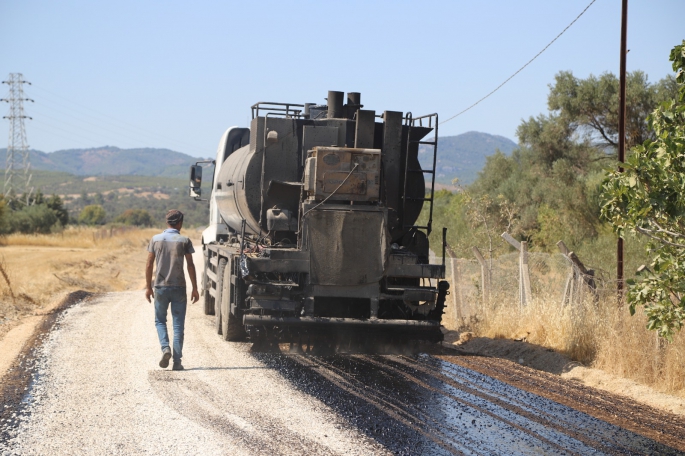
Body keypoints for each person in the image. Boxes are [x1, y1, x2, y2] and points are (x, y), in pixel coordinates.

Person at [145, 209, 199, 370]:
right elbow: (190, 265)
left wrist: (148, 287)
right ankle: (177, 362)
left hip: (160, 287)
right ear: (180, 222)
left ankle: (165, 348)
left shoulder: (155, 240)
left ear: (167, 222)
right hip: (179, 287)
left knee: (160, 321)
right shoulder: (184, 240)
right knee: (178, 325)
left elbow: (149, 264)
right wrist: (195, 288)